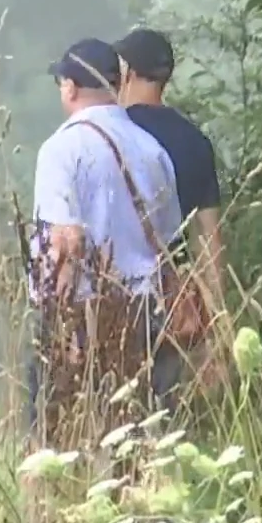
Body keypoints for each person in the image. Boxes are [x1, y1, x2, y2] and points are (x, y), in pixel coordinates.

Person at [25, 38, 183, 448]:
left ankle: (52, 510)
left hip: (85, 316)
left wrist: (63, 332)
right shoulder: (153, 150)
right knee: (144, 445)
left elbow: (64, 240)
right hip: (148, 317)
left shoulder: (62, 148)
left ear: (70, 87)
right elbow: (170, 242)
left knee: (54, 446)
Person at [114, 27, 228, 389]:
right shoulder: (195, 141)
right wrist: (217, 326)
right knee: (161, 409)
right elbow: (209, 239)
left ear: (127, 72)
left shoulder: (112, 135)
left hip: (112, 290)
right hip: (171, 292)